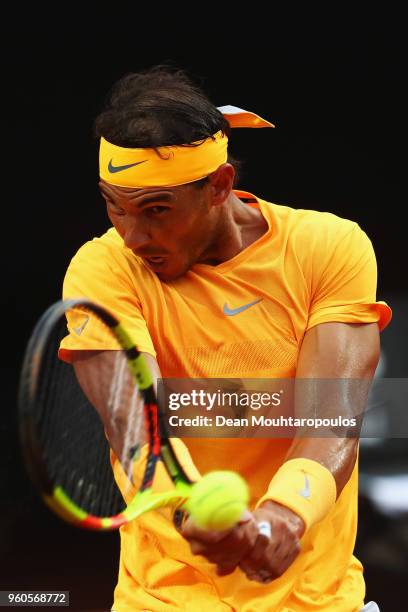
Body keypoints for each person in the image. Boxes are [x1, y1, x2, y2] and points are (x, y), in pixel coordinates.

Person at [60, 65, 391, 611]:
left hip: (316, 599)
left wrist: (284, 516)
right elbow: (134, 428)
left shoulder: (328, 247)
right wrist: (196, 513)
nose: (132, 234)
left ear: (219, 187)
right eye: (113, 204)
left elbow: (330, 419)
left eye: (156, 210)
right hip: (164, 600)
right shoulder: (103, 269)